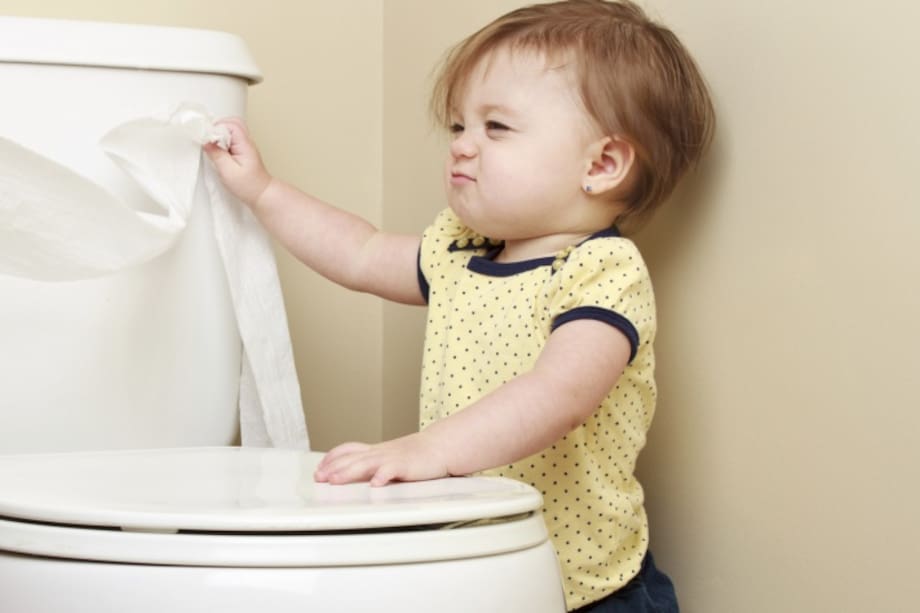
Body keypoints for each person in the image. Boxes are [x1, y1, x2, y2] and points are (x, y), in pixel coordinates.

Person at [205, 1, 714, 610]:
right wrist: (263, 191)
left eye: (495, 128)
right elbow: (361, 252)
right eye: (457, 126)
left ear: (601, 165)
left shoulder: (600, 272)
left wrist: (430, 450)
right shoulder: (461, 251)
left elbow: (562, 393)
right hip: (478, 565)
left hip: (584, 587)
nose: (462, 146)